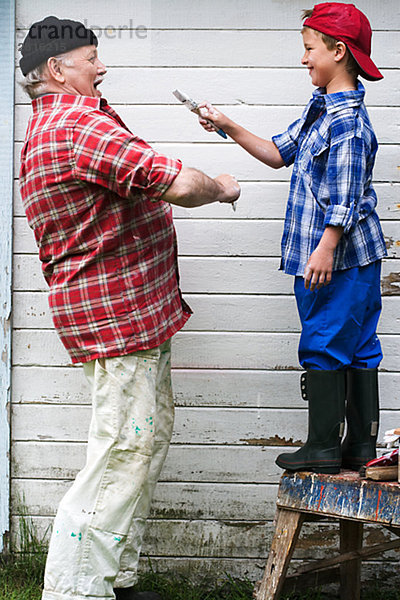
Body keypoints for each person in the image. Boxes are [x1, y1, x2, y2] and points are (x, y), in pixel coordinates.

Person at [18, 16, 240, 600]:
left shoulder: (63, 125)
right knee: (120, 453)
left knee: (139, 446)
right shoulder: (74, 126)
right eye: (93, 58)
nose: (103, 67)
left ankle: (114, 579)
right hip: (117, 319)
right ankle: (74, 592)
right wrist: (220, 184)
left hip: (129, 318)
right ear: (58, 69)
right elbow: (178, 184)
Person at [198, 2, 387, 475]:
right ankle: (360, 448)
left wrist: (323, 249)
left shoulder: (346, 124)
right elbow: (279, 154)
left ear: (338, 51)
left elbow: (343, 198)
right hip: (356, 259)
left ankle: (323, 447)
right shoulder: (320, 109)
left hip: (337, 260)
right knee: (359, 344)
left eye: (309, 49)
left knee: (325, 341)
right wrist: (227, 125)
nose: (303, 59)